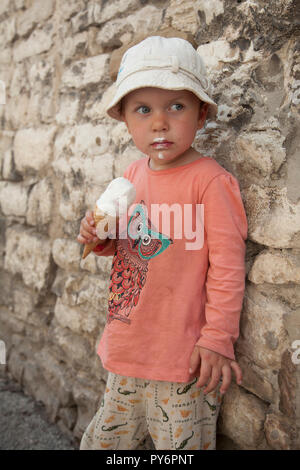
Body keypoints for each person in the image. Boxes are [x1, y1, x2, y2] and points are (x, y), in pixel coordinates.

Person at [77, 36, 248, 451]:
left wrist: (217, 338)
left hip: (183, 361)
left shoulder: (211, 181)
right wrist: (98, 237)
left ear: (201, 113)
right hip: (127, 348)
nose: (159, 123)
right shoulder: (132, 175)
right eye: (143, 109)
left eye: (176, 106)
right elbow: (126, 245)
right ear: (125, 119)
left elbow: (228, 267)